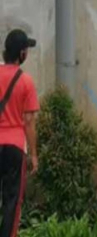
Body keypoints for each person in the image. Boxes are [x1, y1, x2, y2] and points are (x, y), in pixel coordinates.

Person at [0, 29, 39, 237]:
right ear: (22, 54)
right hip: (15, 147)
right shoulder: (26, 81)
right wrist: (33, 154)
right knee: (12, 202)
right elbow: (29, 121)